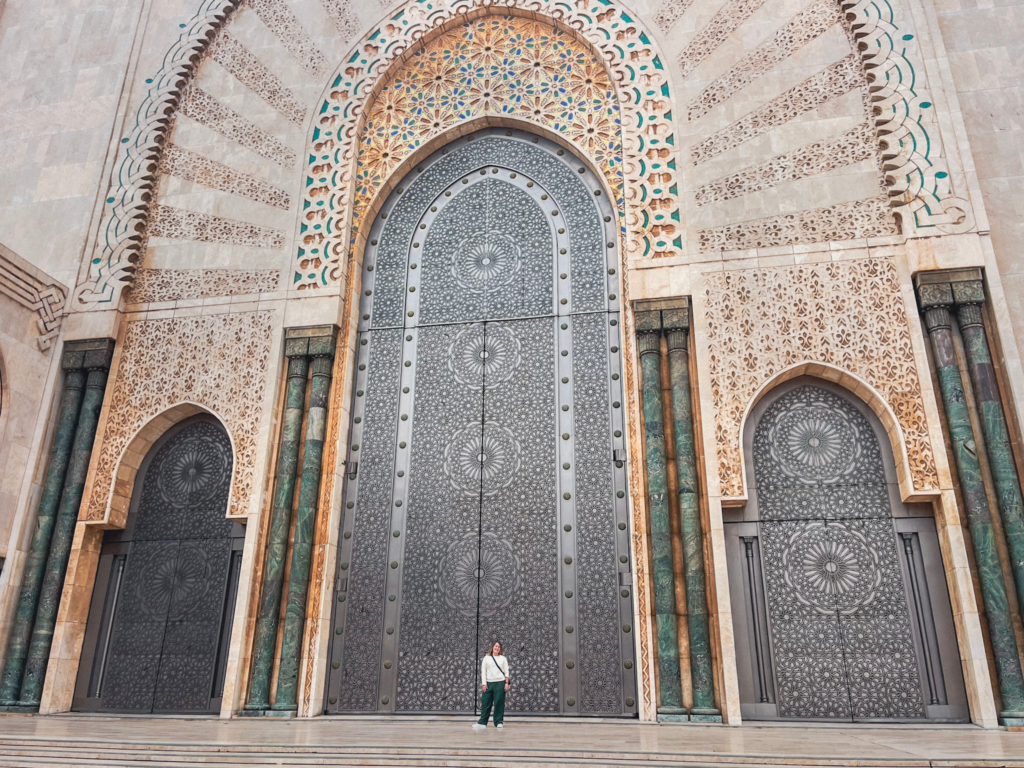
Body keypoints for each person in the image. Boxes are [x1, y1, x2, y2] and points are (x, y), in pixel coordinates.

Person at [471, 641, 509, 729]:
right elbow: (483, 671)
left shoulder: (503, 658)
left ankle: (499, 722)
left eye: (498, 647)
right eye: (495, 646)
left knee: (499, 703)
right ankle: (482, 723)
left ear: (500, 649)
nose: (497, 648)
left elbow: (506, 672)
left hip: (500, 682)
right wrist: (484, 684)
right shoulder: (486, 658)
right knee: (486, 702)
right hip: (489, 683)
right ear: (492, 647)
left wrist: (506, 683)